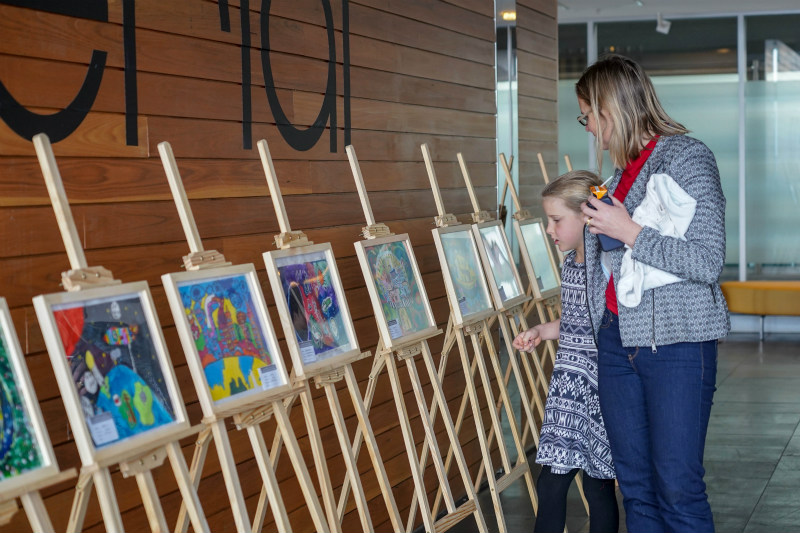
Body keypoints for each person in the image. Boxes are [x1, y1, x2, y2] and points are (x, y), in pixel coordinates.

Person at [575, 54, 730, 532]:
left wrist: (629, 230)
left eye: (588, 116)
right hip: (617, 343)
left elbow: (707, 260)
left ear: (612, 110)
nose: (588, 129)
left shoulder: (687, 157)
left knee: (677, 488)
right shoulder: (615, 179)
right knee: (636, 490)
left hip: (677, 345)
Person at [513, 170, 619, 533]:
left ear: (586, 216)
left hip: (596, 390)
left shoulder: (605, 266)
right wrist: (542, 331)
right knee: (551, 482)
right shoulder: (569, 263)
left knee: (597, 485)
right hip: (567, 390)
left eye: (556, 220)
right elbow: (574, 322)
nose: (548, 229)